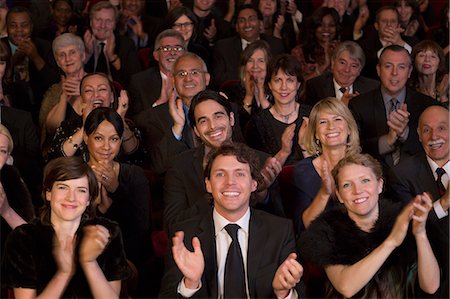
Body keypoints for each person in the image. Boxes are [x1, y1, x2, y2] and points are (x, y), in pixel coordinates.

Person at [159, 142, 304, 298]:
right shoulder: (185, 234)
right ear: (208, 184)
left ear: (254, 184)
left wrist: (283, 293)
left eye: (240, 173)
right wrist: (190, 284)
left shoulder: (280, 231)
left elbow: (301, 293)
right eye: (220, 174)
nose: (230, 182)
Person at [300, 153, 440, 298]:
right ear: (340, 195)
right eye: (347, 185)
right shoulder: (327, 231)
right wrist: (391, 241)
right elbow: (346, 287)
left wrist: (420, 234)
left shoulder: (404, 220)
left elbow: (431, 286)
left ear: (380, 185)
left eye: (365, 180)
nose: (357, 191)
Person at [1, 156, 131, 298]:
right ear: (48, 193)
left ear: (89, 199)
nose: (71, 198)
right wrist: (63, 274)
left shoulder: (107, 232)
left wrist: (90, 263)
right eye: (63, 187)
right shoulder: (23, 238)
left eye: (81, 190)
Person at [163, 89, 284, 234]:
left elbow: (280, 225)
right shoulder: (180, 166)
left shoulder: (262, 161)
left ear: (231, 119)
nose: (212, 126)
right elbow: (173, 224)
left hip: (254, 247)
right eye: (203, 121)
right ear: (195, 130)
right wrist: (218, 194)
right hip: (202, 246)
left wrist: (261, 193)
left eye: (218, 116)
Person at [386, 105, 449, 298]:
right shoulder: (403, 173)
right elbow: (407, 229)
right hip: (433, 267)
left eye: (442, 128)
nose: (434, 137)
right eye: (426, 130)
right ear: (419, 135)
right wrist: (444, 204)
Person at [82, 107, 151, 276]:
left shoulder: (134, 174)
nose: (106, 147)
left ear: (120, 141)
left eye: (113, 139)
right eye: (98, 138)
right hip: (82, 253)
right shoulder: (74, 175)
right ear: (86, 137)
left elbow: (142, 228)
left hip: (128, 254)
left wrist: (115, 189)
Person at [349, 45, 435, 169]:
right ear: (378, 70)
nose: (394, 73)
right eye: (388, 66)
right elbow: (354, 148)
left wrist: (405, 134)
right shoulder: (358, 105)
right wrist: (388, 140)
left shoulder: (427, 105)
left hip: (417, 179)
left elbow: (435, 146)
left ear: (409, 71)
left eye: (401, 67)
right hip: (374, 178)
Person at [134, 52, 211, 175]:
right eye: (181, 74)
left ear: (207, 78)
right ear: (173, 81)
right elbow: (159, 167)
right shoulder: (156, 117)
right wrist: (176, 130)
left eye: (194, 72)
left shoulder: (227, 110)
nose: (188, 79)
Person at [292, 97, 360, 233]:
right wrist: (324, 192)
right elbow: (305, 226)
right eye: (323, 122)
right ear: (316, 133)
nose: (331, 127)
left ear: (349, 129)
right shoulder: (303, 171)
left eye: (338, 119)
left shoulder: (364, 166)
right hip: (321, 241)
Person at [47, 72, 139, 161]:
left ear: (111, 97)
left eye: (102, 89)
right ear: (82, 98)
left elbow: (136, 155)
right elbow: (55, 157)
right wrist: (86, 125)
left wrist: (120, 120)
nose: (96, 95)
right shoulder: (69, 125)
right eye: (88, 90)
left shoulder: (126, 124)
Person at [245, 54, 310, 166]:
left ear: (298, 84)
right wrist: (284, 152)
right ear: (270, 85)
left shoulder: (312, 115)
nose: (283, 87)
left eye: (289, 80)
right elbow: (257, 174)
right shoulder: (257, 123)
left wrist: (305, 148)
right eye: (277, 80)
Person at [0, 6, 59, 121]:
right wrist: (12, 60)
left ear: (31, 27)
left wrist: (36, 57)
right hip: (8, 111)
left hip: (40, 111)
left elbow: (54, 84)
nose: (19, 30)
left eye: (24, 25)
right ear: (7, 28)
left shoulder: (45, 46)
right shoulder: (1, 47)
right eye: (13, 25)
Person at [212, 4, 284, 89]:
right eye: (242, 21)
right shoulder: (223, 47)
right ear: (236, 27)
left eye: (252, 19)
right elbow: (218, 79)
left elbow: (280, 75)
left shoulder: (276, 45)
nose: (247, 24)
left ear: (260, 23)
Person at [40, 33, 86, 157]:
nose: (67, 59)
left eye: (72, 52)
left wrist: (84, 93)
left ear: (83, 55)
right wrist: (64, 98)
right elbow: (52, 129)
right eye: (62, 55)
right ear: (58, 62)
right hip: (63, 156)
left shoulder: (98, 83)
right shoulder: (54, 92)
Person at [127, 29, 186, 116]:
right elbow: (137, 121)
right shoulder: (139, 82)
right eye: (166, 49)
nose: (172, 53)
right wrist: (160, 103)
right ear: (156, 55)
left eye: (177, 48)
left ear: (185, 54)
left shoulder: (195, 79)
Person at [303, 41, 379, 106]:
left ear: (360, 70)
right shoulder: (315, 86)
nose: (346, 70)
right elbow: (313, 119)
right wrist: (342, 107)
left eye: (353, 66)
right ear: (333, 63)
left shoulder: (372, 88)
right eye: (342, 63)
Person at [83, 1, 141, 86]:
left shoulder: (126, 45)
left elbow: (134, 79)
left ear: (114, 25)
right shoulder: (80, 43)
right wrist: (87, 54)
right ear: (91, 22)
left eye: (108, 21)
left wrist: (112, 58)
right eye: (98, 20)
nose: (103, 26)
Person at [220, 40, 272, 133]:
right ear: (244, 66)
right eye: (250, 60)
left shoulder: (276, 90)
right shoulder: (231, 89)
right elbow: (237, 125)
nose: (255, 66)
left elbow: (274, 124)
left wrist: (261, 96)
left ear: (268, 65)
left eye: (261, 61)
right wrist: (249, 96)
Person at [358, 6, 418, 80]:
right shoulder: (365, 46)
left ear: (398, 25)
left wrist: (401, 43)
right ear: (376, 26)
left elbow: (416, 64)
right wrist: (388, 44)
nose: (389, 24)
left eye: (393, 21)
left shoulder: (412, 42)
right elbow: (368, 71)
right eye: (384, 21)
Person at [291, 7, 341, 81]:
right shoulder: (299, 52)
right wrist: (324, 65)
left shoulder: (343, 50)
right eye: (321, 25)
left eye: (331, 25)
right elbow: (297, 83)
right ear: (314, 27)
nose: (326, 29)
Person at [410, 40, 449, 106]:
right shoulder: (408, 91)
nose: (427, 59)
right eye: (422, 55)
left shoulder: (447, 89)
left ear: (439, 63)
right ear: (414, 61)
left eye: (433, 56)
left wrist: (443, 97)